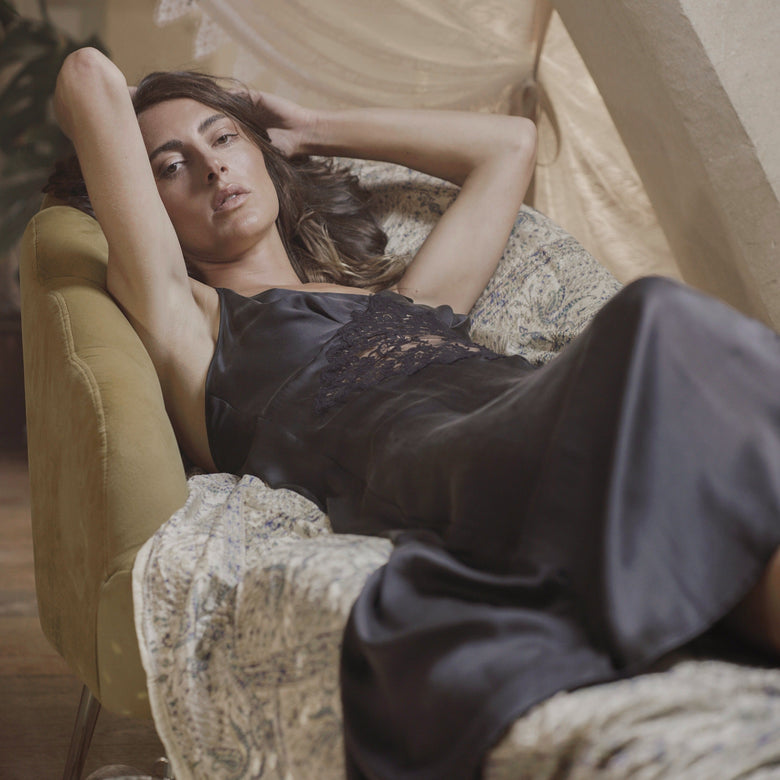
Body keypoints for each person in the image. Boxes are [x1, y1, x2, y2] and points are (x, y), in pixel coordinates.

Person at [51, 47, 780, 779]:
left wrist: (304, 126)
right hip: (441, 459)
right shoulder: (192, 324)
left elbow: (510, 147)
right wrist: (200, 105)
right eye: (170, 165)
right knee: (657, 318)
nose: (213, 168)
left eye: (224, 138)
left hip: (535, 404)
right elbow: (87, 76)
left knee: (704, 381)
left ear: (267, 161)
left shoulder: (404, 298)